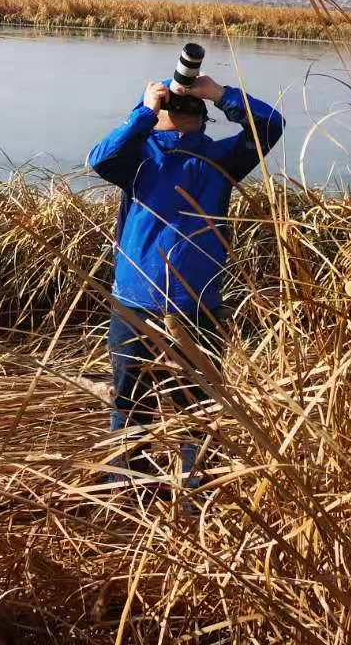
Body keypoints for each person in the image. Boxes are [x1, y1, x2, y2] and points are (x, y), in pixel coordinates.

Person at [87, 69, 284, 486]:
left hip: (191, 304)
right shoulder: (141, 157)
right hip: (140, 301)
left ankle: (191, 492)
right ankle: (130, 488)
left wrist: (219, 92)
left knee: (194, 408)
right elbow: (100, 159)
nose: (177, 114)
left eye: (181, 107)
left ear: (201, 117)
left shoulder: (217, 159)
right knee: (140, 403)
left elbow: (271, 125)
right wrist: (145, 113)